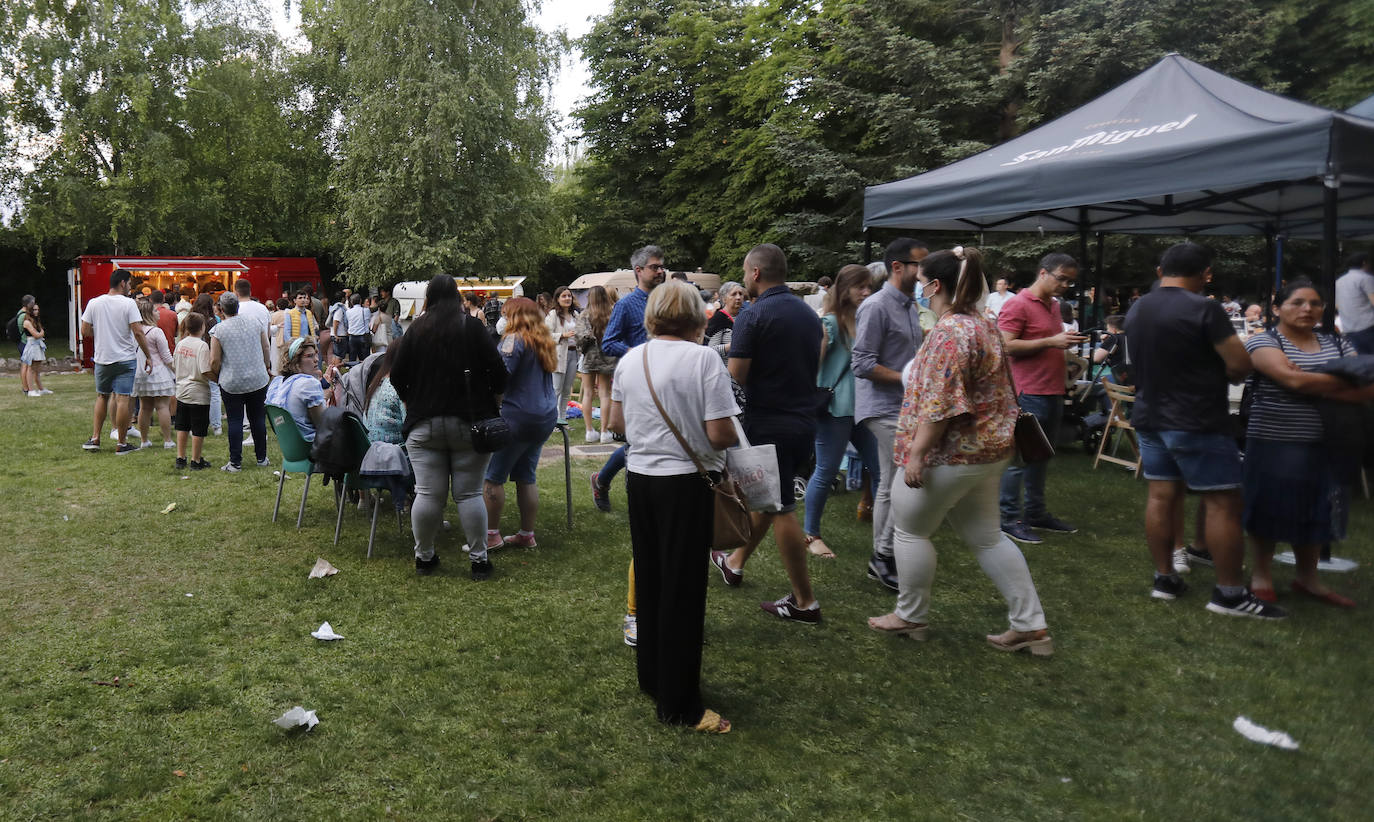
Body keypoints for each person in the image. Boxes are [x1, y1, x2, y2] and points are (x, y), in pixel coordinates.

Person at [866, 247, 1054, 655]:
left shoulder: (951, 333)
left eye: (921, 282)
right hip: (989, 452)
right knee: (988, 538)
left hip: (950, 455)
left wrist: (916, 456)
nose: (918, 288)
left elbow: (939, 404)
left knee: (910, 530)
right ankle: (1031, 627)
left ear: (936, 285)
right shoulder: (983, 324)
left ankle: (910, 615)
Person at [606, 278, 739, 733]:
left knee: (651, 576)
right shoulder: (703, 359)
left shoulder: (630, 359)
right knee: (682, 590)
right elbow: (721, 433)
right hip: (686, 482)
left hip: (641, 479)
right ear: (696, 315)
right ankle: (680, 704)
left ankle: (654, 677)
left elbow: (617, 424)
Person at [1126, 241, 1285, 619]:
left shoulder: (1138, 307)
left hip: (1149, 417)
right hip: (1196, 418)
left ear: (1160, 271)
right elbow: (1240, 363)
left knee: (1161, 497)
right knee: (1223, 502)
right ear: (1206, 274)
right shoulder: (1205, 307)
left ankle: (1164, 578)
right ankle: (1229, 595)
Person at [711, 243, 824, 624]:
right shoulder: (809, 315)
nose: (744, 281)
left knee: (779, 507)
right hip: (804, 419)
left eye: (746, 274)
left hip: (769, 420)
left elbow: (736, 376)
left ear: (756, 273)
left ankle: (804, 602)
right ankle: (736, 563)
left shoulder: (753, 315)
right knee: (768, 496)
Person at [1242, 279, 1366, 608]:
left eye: (1315, 303)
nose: (1308, 309)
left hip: (1327, 441)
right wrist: (1339, 381)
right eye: (1297, 302)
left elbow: (1368, 387)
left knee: (1318, 509)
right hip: (1274, 439)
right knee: (1268, 506)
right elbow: (1292, 380)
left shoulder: (1336, 343)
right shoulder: (1263, 341)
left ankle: (1307, 578)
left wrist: (1310, 381)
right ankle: (1261, 576)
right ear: (1277, 308)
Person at [389, 274, 508, 580]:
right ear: (457, 297)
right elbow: (499, 373)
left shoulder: (415, 330)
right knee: (468, 495)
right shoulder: (472, 328)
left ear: (428, 298)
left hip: (423, 423)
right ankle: (479, 561)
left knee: (427, 494)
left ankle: (424, 558)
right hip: (470, 422)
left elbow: (396, 375)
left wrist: (411, 400)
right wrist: (492, 398)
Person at [850, 237, 928, 590]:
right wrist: (908, 379)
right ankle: (884, 556)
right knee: (905, 475)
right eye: (919, 264)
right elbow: (862, 363)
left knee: (887, 482)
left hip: (903, 405)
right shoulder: (876, 306)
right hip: (881, 408)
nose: (924, 271)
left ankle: (881, 558)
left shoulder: (911, 305)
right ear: (898, 267)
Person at [996, 252, 1087, 544]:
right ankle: (1008, 519)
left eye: (1070, 281)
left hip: (1052, 391)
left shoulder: (1056, 306)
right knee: (1018, 460)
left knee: (1042, 456)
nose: (1065, 285)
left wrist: (1066, 350)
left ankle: (1036, 513)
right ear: (1043, 273)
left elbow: (1049, 345)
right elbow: (1005, 346)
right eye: (1062, 278)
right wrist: (1051, 342)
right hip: (1026, 393)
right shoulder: (1017, 304)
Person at [801, 264, 880, 559]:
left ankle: (888, 536)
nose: (866, 292)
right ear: (845, 288)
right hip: (834, 408)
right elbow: (812, 363)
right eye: (861, 286)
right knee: (826, 470)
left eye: (868, 286)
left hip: (860, 407)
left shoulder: (859, 318)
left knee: (881, 469)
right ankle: (811, 535)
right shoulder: (831, 322)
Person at [590, 246, 666, 512]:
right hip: (639, 381)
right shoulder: (625, 305)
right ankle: (604, 480)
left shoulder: (666, 301)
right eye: (654, 267)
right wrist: (634, 351)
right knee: (638, 441)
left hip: (667, 379)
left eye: (661, 266)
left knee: (658, 438)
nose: (660, 271)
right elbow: (609, 343)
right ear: (639, 271)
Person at [483, 297, 558, 551]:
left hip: (518, 417)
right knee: (527, 476)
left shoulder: (513, 340)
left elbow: (499, 379)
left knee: (492, 478)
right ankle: (527, 533)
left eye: (505, 313)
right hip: (545, 416)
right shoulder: (543, 340)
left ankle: (491, 534)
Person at [80, 269, 153, 454]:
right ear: (122, 283)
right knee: (123, 398)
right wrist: (148, 355)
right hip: (125, 358)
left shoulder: (94, 303)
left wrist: (101, 334)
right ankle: (121, 443)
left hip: (103, 358)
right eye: (129, 284)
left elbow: (84, 329)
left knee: (102, 396)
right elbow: (137, 331)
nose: (130, 287)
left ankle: (95, 438)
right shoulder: (128, 304)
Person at [210, 292, 271, 471]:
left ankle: (235, 461)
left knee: (235, 420)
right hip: (257, 378)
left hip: (232, 380)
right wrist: (265, 366)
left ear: (221, 309)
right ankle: (262, 458)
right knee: (258, 418)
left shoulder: (218, 330)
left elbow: (214, 360)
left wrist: (216, 374)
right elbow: (265, 346)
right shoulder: (254, 322)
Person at [575, 285, 619, 443]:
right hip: (607, 357)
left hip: (589, 358)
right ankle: (604, 431)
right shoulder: (612, 313)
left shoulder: (584, 315)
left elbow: (579, 337)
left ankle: (589, 430)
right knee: (605, 394)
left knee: (587, 393)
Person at [172, 312, 214, 470]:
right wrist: (217, 378)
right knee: (198, 428)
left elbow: (174, 365)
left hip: (182, 391)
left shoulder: (181, 344)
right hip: (198, 393)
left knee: (182, 426)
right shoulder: (202, 346)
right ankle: (196, 460)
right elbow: (205, 370)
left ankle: (180, 457)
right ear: (202, 327)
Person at [132, 297, 176, 449]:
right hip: (159, 372)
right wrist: (176, 370)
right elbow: (166, 356)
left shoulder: (135, 332)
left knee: (144, 407)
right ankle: (168, 440)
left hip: (142, 373)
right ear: (149, 314)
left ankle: (144, 441)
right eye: (155, 310)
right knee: (163, 406)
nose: (158, 312)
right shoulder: (156, 332)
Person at [267, 338, 330, 441]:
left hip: (289, 447)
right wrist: (325, 397)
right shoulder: (308, 384)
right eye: (310, 356)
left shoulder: (276, 383)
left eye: (315, 354)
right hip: (311, 446)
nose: (316, 360)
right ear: (296, 361)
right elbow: (323, 426)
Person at [545, 286, 580, 424]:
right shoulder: (553, 315)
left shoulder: (575, 315)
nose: (567, 299)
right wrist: (562, 335)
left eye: (569, 296)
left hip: (573, 354)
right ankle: (551, 421)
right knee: (556, 389)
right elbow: (545, 335)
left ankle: (563, 420)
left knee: (566, 391)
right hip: (559, 355)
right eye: (564, 296)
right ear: (557, 299)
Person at [362, 347, 405, 445]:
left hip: (372, 452)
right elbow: (412, 426)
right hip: (396, 454)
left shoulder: (374, 384)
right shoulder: (399, 386)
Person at [1334, 250, 1374, 353]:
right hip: (1369, 326)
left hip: (1349, 328)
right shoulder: (1366, 278)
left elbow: (1337, 305)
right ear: (1364, 262)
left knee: (1363, 362)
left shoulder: (1339, 281)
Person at [18, 296, 50, 397]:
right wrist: (41, 333)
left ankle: (41, 389)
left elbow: (40, 332)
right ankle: (30, 390)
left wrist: (40, 333)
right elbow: (36, 334)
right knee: (31, 368)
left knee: (37, 369)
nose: (36, 311)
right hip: (31, 345)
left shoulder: (35, 321)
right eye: (34, 309)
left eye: (37, 309)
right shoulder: (27, 321)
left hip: (37, 345)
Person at [705, 281, 745, 360]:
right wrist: (733, 345)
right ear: (724, 299)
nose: (738, 297)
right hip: (724, 369)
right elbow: (710, 350)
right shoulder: (719, 319)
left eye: (740, 294)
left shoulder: (745, 317)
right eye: (734, 294)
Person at [345, 293, 370, 361]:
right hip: (363, 336)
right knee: (365, 359)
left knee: (352, 357)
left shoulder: (348, 312)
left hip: (352, 337)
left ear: (352, 302)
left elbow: (347, 323)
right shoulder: (366, 310)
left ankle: (352, 370)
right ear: (360, 301)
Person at [269, 297, 290, 376]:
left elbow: (270, 328)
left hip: (276, 338)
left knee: (276, 358)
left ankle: (276, 372)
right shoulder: (289, 313)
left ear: (277, 306)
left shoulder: (274, 315)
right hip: (287, 338)